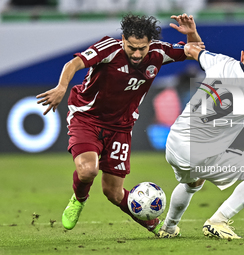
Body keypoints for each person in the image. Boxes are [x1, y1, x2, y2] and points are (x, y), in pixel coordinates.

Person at [36, 13, 203, 235]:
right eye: (131, 47)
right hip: (87, 117)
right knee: (88, 171)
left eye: (141, 48)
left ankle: (154, 226)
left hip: (121, 127)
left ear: (149, 44)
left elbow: (194, 51)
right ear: (123, 38)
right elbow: (74, 63)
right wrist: (61, 87)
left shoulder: (159, 52)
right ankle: (79, 199)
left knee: (113, 192)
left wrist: (191, 32)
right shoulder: (108, 48)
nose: (136, 53)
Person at [157, 30, 244, 239]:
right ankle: (218, 221)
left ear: (242, 56)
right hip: (198, 153)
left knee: (193, 181)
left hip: (174, 142)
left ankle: (168, 228)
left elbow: (193, 50)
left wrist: (192, 33)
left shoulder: (220, 62)